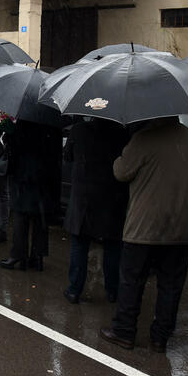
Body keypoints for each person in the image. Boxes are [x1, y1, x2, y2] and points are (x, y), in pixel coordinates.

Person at [99, 116, 188, 353]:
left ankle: (124, 331)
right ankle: (160, 337)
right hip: (182, 226)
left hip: (144, 227)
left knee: (132, 280)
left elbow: (121, 172)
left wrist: (121, 155)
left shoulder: (143, 140)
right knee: (171, 285)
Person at [63, 118, 129, 303]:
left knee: (79, 244)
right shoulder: (122, 133)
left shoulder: (79, 130)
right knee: (112, 246)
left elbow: (67, 157)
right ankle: (112, 291)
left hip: (83, 197)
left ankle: (74, 289)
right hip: (112, 197)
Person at [0, 119, 61, 271]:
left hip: (25, 174)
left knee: (21, 216)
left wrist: (8, 136)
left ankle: (18, 255)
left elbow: (15, 146)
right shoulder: (52, 120)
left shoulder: (24, 119)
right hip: (45, 176)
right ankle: (37, 257)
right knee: (40, 217)